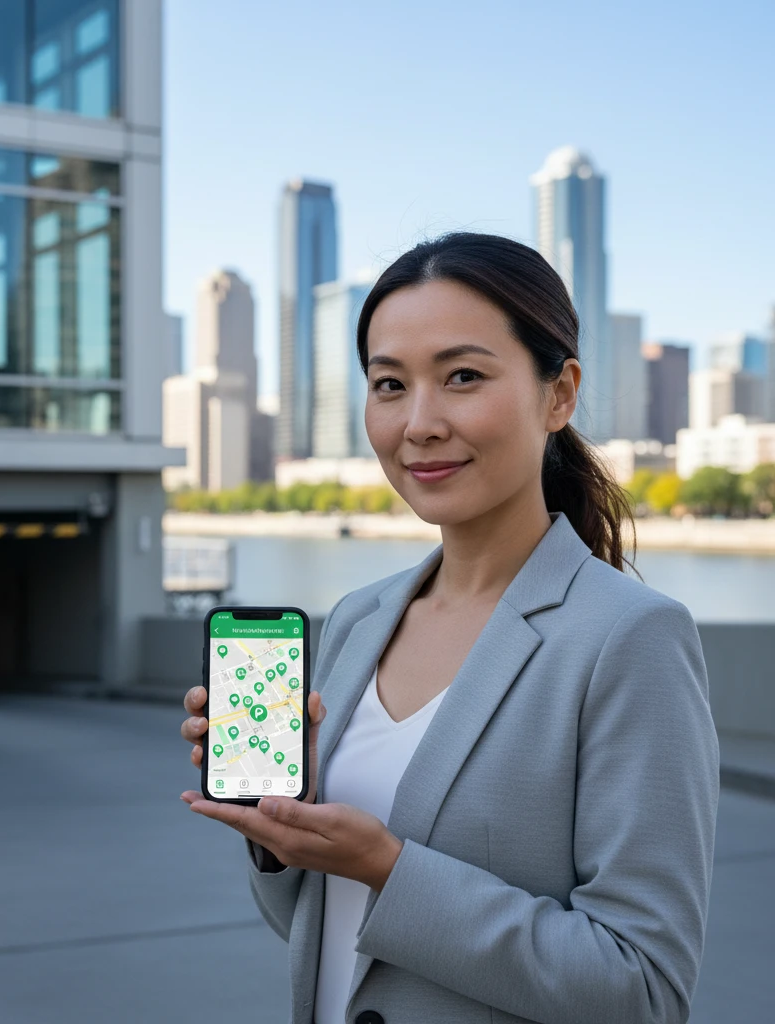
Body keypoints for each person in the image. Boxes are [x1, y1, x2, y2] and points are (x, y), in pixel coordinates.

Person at [179, 231, 720, 1024]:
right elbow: (319, 930)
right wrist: (276, 834)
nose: (419, 423)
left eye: (463, 376)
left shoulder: (630, 640)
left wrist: (389, 868)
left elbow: (641, 990)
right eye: (389, 384)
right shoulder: (360, 619)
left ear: (559, 393)